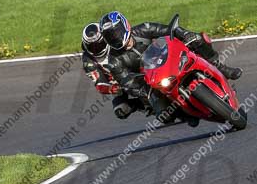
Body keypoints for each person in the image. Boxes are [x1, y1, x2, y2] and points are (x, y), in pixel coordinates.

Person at [100, 11, 242, 124]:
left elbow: (167, 31)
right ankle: (185, 115)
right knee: (163, 115)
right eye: (110, 36)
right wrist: (143, 88)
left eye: (116, 33)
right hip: (151, 79)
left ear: (125, 26)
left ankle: (221, 68)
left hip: (168, 59)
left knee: (198, 39)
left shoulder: (144, 29)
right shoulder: (114, 61)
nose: (115, 38)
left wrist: (184, 34)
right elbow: (127, 81)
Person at [81, 22, 146, 120]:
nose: (96, 49)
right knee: (121, 111)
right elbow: (99, 84)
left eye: (99, 44)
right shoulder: (88, 60)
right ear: (86, 45)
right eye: (92, 47)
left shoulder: (116, 41)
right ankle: (143, 105)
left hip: (135, 68)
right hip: (117, 84)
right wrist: (112, 88)